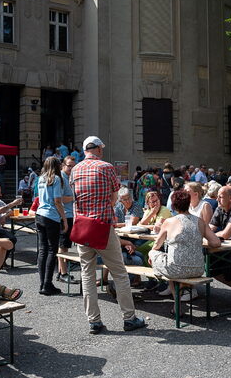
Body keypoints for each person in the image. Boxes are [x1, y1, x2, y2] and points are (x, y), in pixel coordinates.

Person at [70, 135, 147, 334]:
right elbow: (115, 197)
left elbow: (75, 200)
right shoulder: (106, 167)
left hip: (83, 227)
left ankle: (94, 321)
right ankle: (129, 318)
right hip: (103, 226)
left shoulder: (75, 169)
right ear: (99, 149)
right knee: (119, 272)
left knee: (87, 274)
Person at [148, 190, 221, 307]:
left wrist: (152, 255)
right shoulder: (200, 221)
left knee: (154, 253)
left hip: (175, 269)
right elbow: (216, 242)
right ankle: (181, 294)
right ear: (188, 203)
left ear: (173, 206)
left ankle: (177, 304)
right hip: (197, 269)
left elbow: (157, 245)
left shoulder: (169, 221)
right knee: (172, 262)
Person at [35, 156, 68, 295]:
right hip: (51, 216)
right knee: (51, 250)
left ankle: (43, 283)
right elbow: (57, 201)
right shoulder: (56, 179)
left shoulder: (41, 178)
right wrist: (64, 219)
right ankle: (47, 284)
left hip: (39, 215)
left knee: (43, 250)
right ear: (56, 165)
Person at [57, 155, 79, 285]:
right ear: (63, 165)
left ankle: (61, 272)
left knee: (65, 245)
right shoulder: (60, 178)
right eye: (69, 166)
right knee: (63, 245)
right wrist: (75, 197)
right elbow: (59, 198)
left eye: (73, 166)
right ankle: (63, 273)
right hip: (64, 215)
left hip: (70, 214)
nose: (71, 168)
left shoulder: (70, 178)